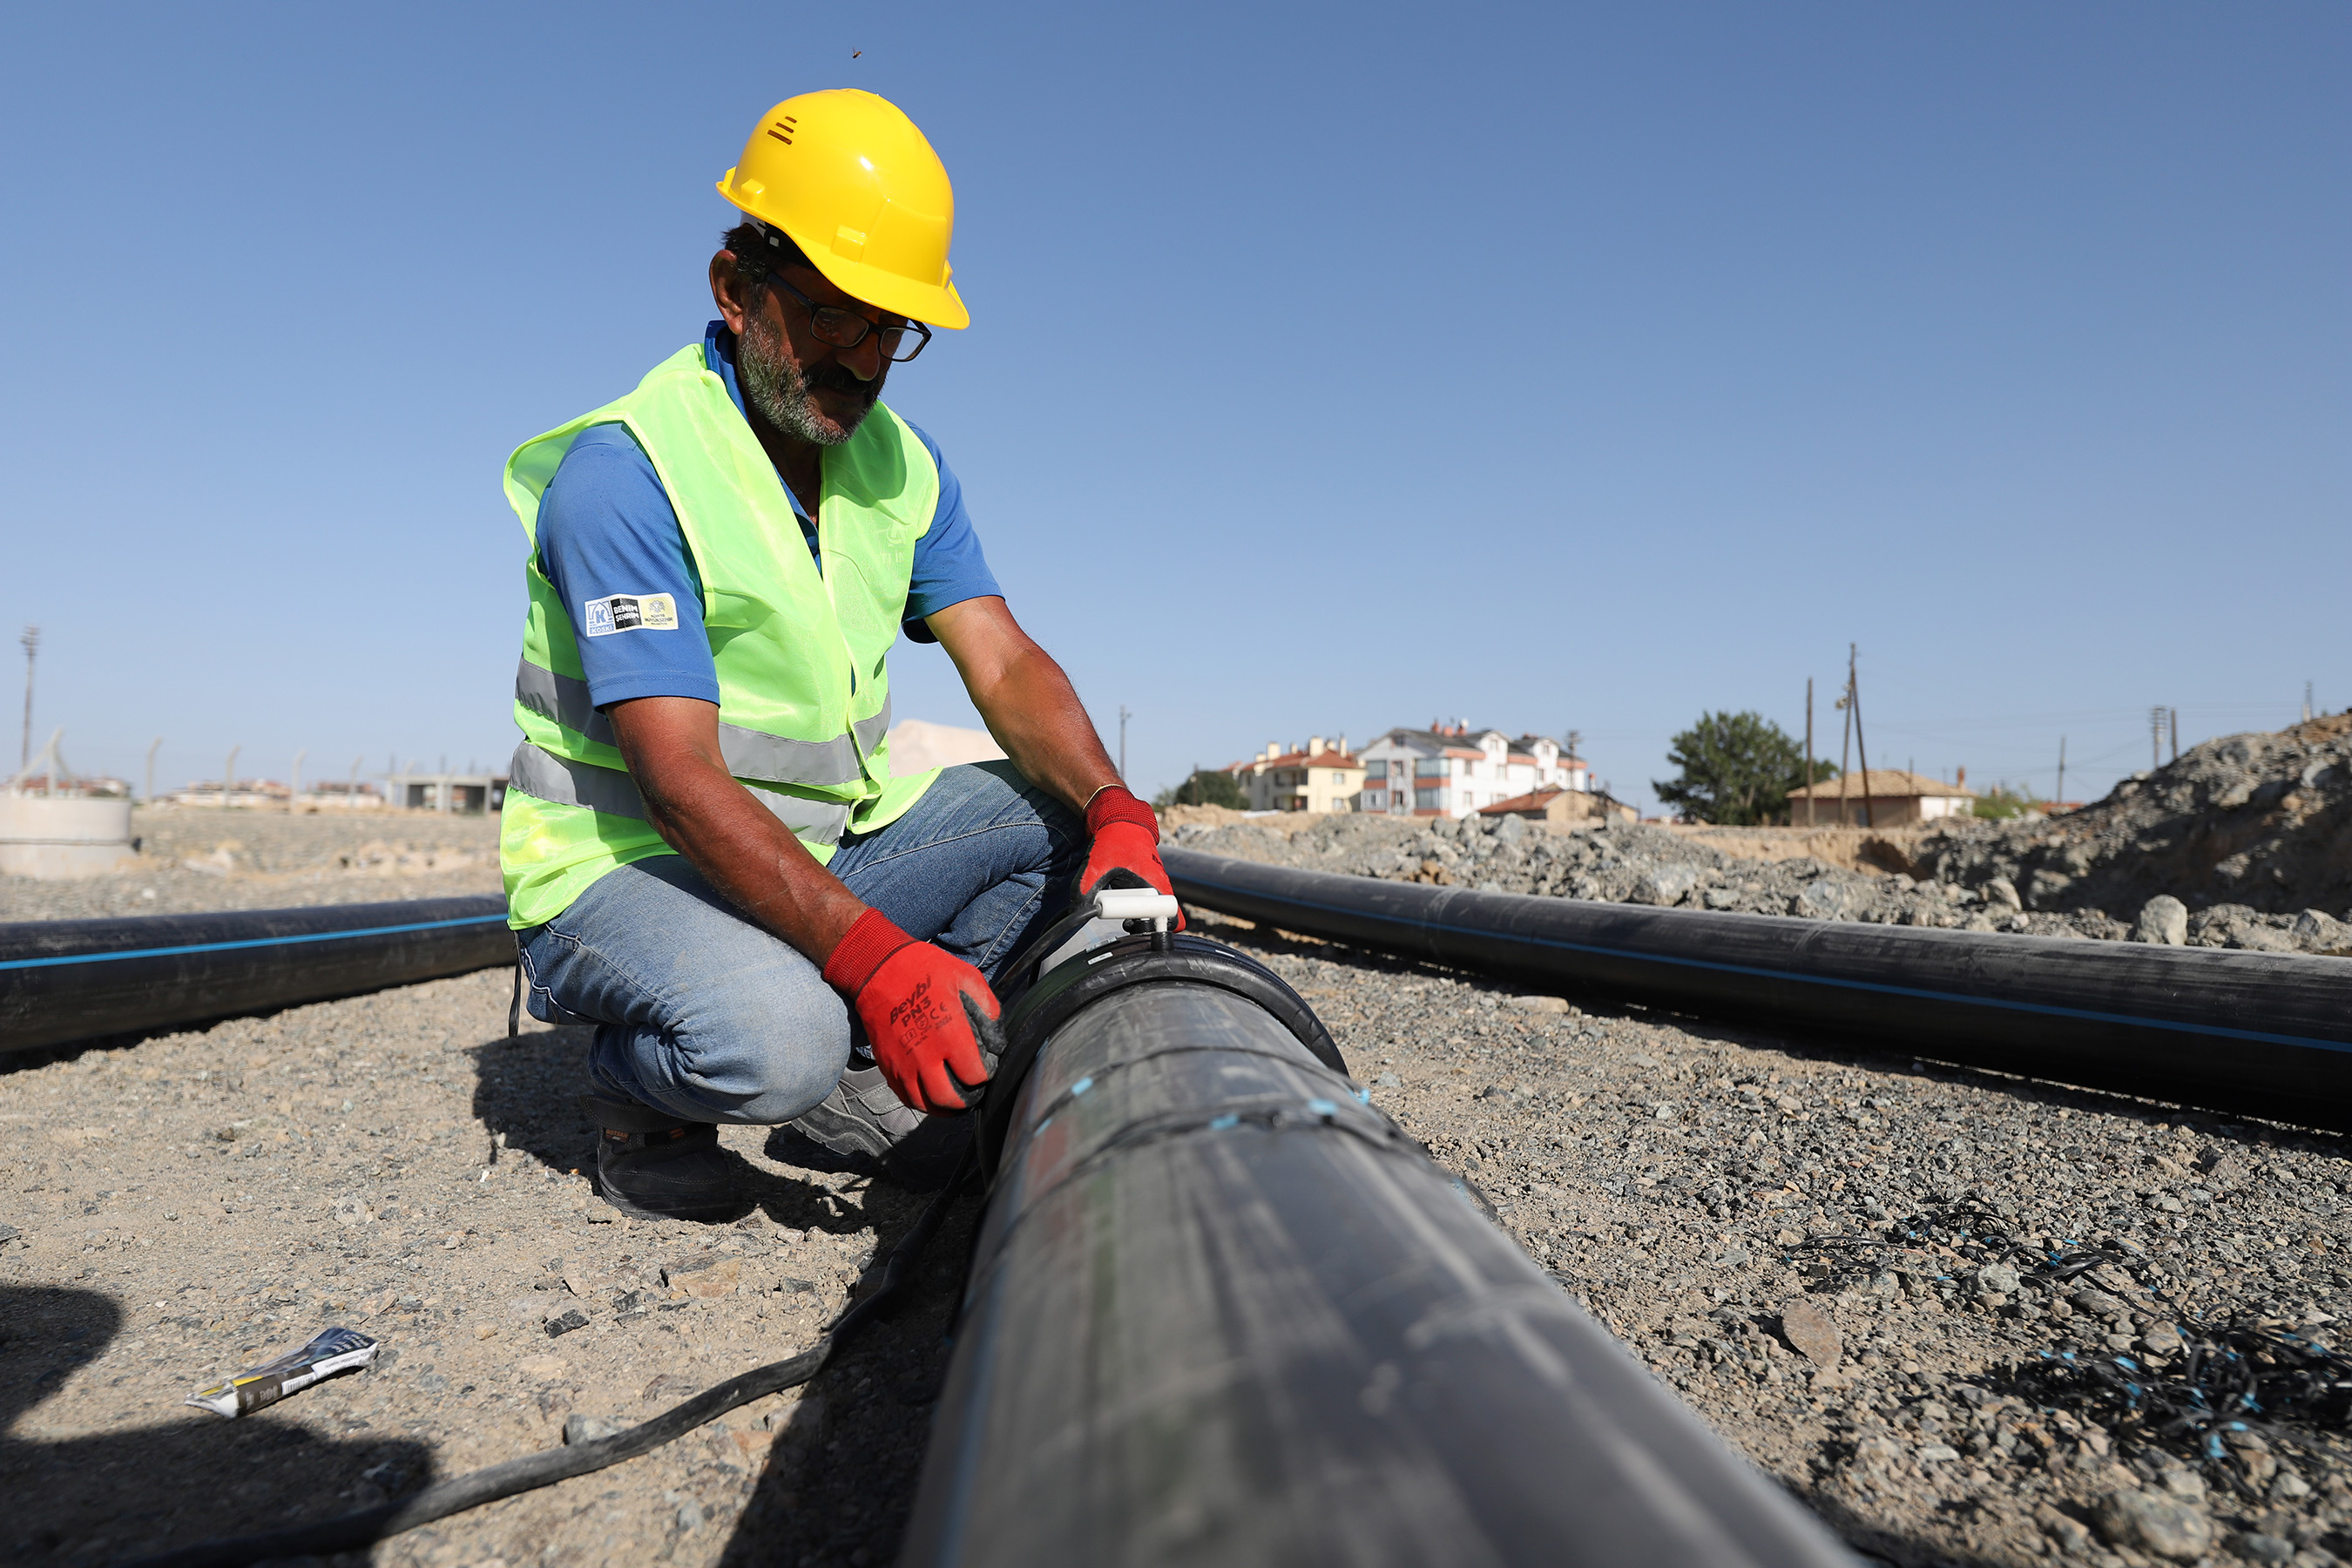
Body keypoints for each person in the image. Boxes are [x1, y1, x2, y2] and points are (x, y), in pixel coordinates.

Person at [497, 89, 1174, 1220]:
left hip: (807, 852)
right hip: (627, 872)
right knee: (777, 1038)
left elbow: (1002, 663)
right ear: (735, 288)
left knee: (1058, 816)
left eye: (888, 330)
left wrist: (1117, 808)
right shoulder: (630, 475)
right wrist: (873, 961)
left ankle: (848, 1083)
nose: (861, 361)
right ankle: (642, 1095)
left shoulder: (900, 466)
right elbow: (678, 784)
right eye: (829, 316)